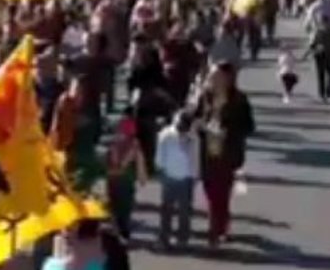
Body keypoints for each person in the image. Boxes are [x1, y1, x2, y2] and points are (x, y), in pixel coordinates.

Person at [195, 63, 255, 248]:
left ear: (228, 79)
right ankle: (221, 223)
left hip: (228, 152)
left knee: (221, 193)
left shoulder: (239, 100)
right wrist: (202, 126)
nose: (213, 81)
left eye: (218, 77)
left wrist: (227, 130)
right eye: (212, 77)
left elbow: (249, 127)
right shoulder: (205, 97)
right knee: (211, 192)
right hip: (208, 151)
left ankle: (215, 232)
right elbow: (196, 119)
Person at [154, 109, 199, 250]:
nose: (182, 133)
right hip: (170, 176)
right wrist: (162, 170)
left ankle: (182, 238)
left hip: (186, 178)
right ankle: (164, 238)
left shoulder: (193, 138)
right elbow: (159, 157)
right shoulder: (166, 135)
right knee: (167, 209)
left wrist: (195, 175)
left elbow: (195, 158)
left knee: (184, 211)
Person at [105, 113, 148, 241]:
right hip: (126, 182)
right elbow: (140, 162)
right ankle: (123, 234)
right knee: (124, 211)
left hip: (114, 181)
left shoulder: (113, 143)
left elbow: (109, 164)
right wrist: (142, 178)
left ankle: (117, 233)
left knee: (115, 209)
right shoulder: (133, 145)